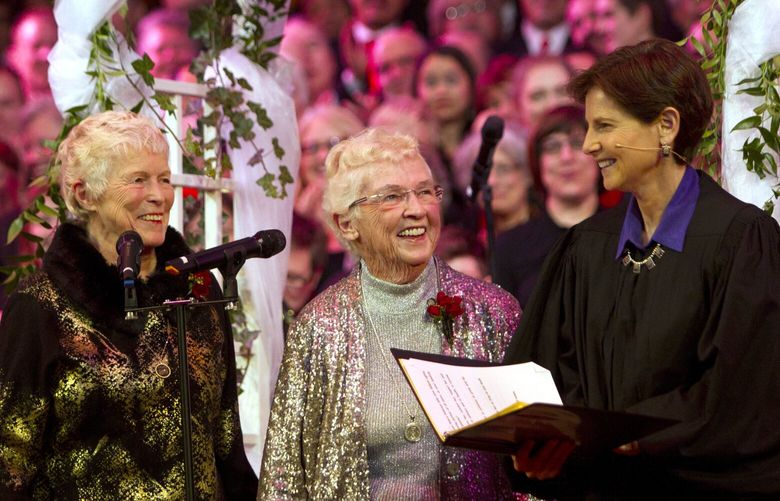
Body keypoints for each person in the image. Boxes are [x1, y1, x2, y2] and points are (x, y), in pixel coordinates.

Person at [505, 39, 780, 498]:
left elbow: (741, 398)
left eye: (605, 126)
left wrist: (632, 436)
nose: (590, 145)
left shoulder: (740, 241)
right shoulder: (585, 247)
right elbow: (548, 374)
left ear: (666, 126)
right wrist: (545, 445)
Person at [0, 111, 258, 499]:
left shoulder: (199, 292)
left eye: (164, 179)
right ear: (84, 193)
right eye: (138, 180)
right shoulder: (40, 307)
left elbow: (227, 446)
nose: (160, 195)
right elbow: (10, 469)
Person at [258, 128, 520, 499]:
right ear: (347, 223)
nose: (417, 209)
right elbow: (283, 479)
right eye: (392, 196)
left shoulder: (493, 311)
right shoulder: (318, 326)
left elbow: (533, 460)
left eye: (426, 191)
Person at [494, 105, 600, 308]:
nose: (566, 157)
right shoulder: (510, 247)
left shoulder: (626, 233)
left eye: (578, 143)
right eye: (553, 147)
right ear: (537, 163)